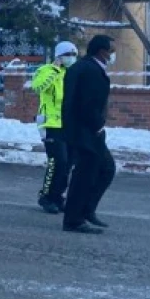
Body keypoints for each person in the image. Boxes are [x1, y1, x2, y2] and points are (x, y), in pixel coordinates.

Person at [61, 35, 118, 234]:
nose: (113, 54)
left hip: (83, 130)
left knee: (104, 169)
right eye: (111, 50)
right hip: (86, 131)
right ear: (102, 51)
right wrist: (97, 125)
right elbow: (87, 104)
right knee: (85, 174)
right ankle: (74, 219)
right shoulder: (90, 70)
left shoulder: (86, 67)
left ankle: (85, 210)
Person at [33, 41, 79, 214]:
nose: (71, 58)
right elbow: (38, 87)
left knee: (68, 163)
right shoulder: (46, 70)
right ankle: (46, 196)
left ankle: (58, 197)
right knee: (57, 161)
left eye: (74, 55)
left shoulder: (71, 74)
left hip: (68, 124)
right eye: (68, 55)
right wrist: (54, 70)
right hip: (50, 123)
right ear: (59, 56)